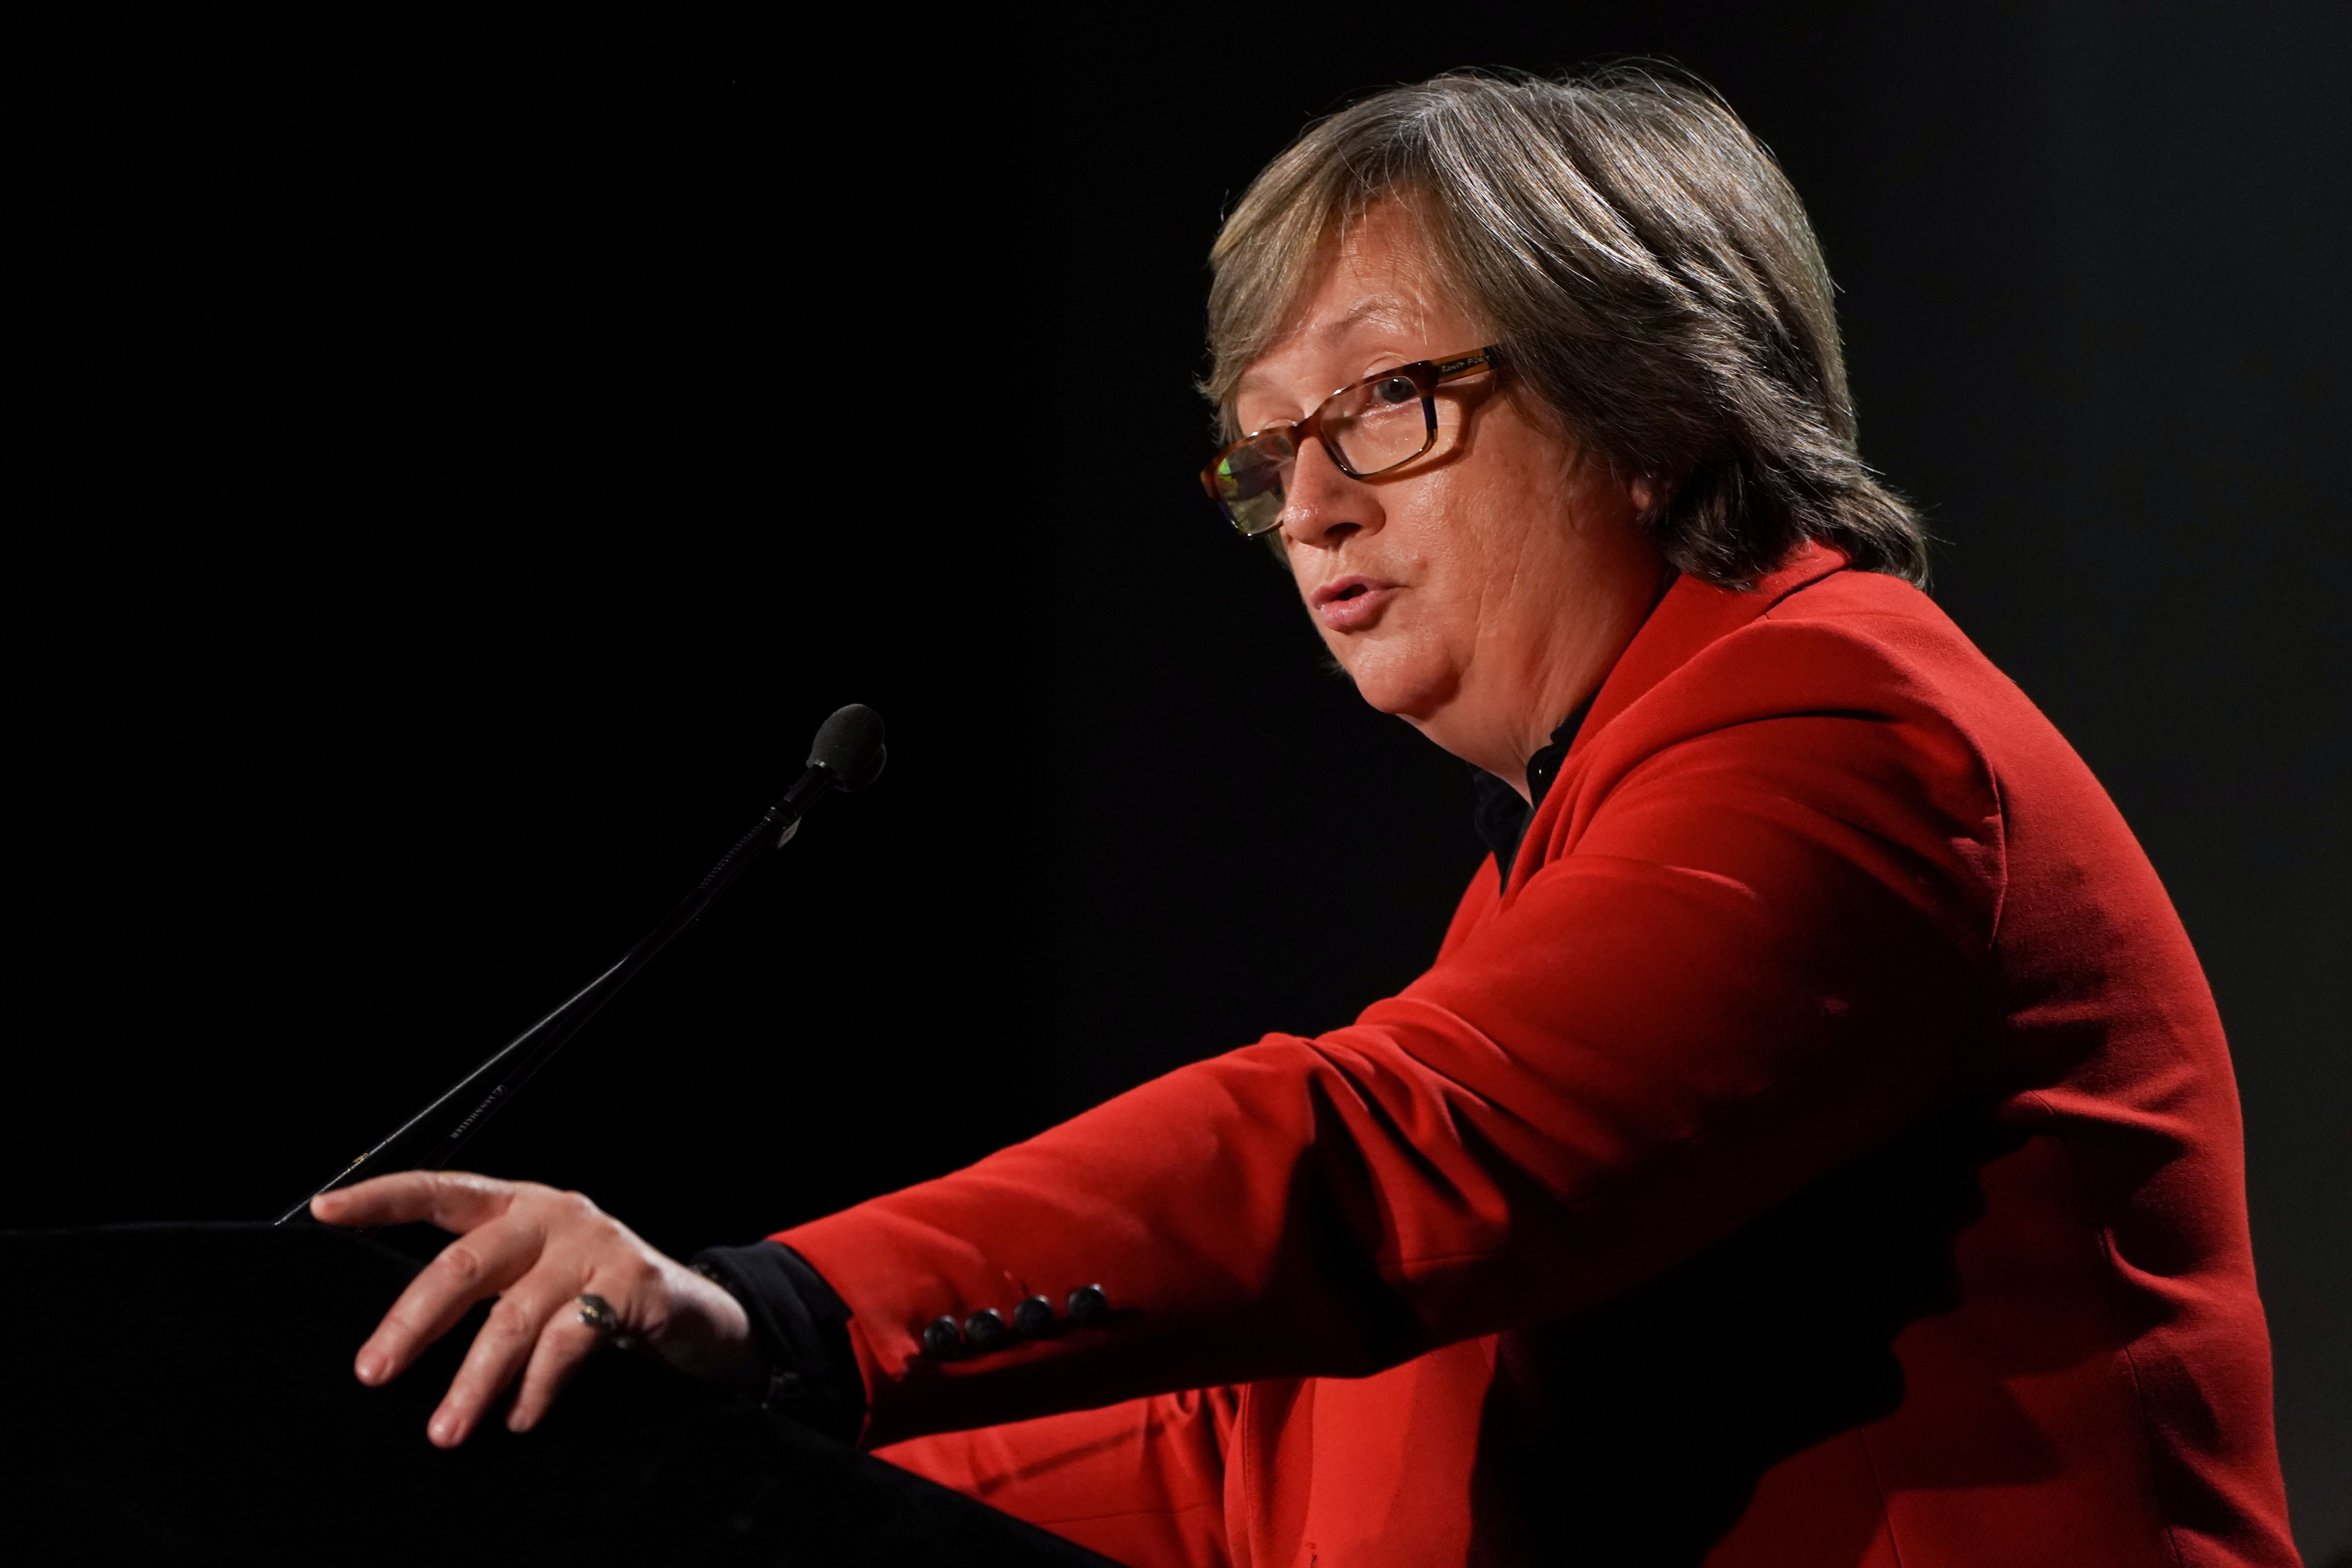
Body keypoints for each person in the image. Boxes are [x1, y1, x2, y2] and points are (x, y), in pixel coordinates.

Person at [316, 69, 2301, 1566]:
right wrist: (695, 1472)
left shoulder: (1842, 731)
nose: (1317, 510)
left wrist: (780, 1310)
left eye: (1387, 407)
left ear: (1660, 395)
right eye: (1270, 455)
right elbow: (1265, 1455)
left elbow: (1382, 1150)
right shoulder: (1581, 837)